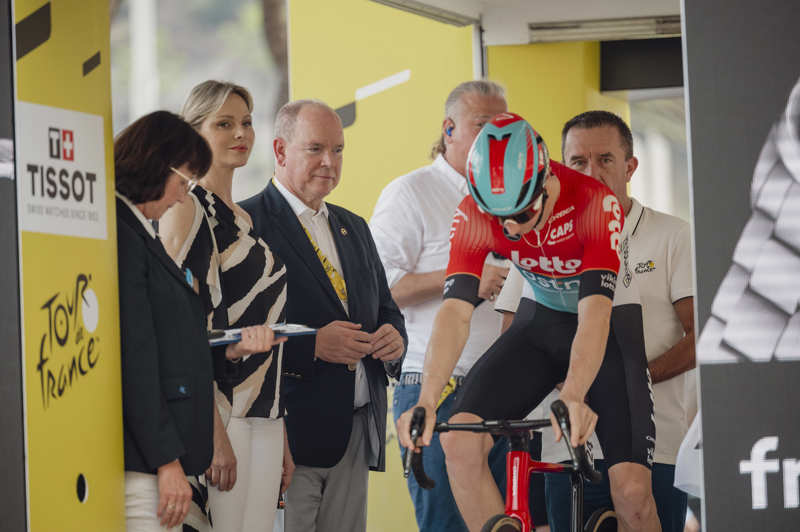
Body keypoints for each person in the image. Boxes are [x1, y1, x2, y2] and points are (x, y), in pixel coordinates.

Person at [397, 112, 661, 532]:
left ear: (545, 182)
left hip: (606, 328)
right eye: (499, 218)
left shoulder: (594, 204)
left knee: (631, 493)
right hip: (538, 326)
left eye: (521, 214)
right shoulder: (472, 213)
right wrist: (427, 398)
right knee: (459, 442)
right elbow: (455, 311)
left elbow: (593, 316)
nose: (511, 228)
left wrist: (574, 394)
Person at [521, 110, 695, 532]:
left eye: (605, 159)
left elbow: (702, 337)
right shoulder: (537, 232)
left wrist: (628, 383)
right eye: (578, 161)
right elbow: (518, 330)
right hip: (568, 446)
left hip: (660, 448)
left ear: (631, 166)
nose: (591, 172)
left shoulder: (674, 235)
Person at [240, 99, 407, 532]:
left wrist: (395, 339)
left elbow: (385, 309)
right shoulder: (247, 223)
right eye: (315, 149)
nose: (329, 162)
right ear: (280, 151)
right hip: (284, 435)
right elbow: (236, 333)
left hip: (354, 430)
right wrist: (310, 346)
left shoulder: (355, 227)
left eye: (338, 150)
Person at [370, 79, 524, 532]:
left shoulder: (515, 194)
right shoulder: (411, 192)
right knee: (447, 524)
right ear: (449, 128)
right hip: (432, 387)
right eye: (482, 125)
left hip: (505, 388)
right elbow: (381, 288)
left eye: (503, 126)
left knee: (507, 523)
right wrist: (463, 280)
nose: (496, 137)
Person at [117, 111, 276, 531]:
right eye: (182, 182)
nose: (180, 197)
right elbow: (136, 358)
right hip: (145, 461)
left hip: (163, 459)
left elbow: (175, 343)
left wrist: (232, 350)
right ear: (154, 164)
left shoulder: (140, 233)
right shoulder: (122, 236)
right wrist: (166, 461)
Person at [159, 81, 291, 531]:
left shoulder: (244, 218)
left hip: (265, 411)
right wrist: (213, 434)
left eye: (247, 122)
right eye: (224, 123)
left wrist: (282, 430)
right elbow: (178, 323)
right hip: (221, 411)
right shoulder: (187, 207)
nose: (242, 133)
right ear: (194, 131)